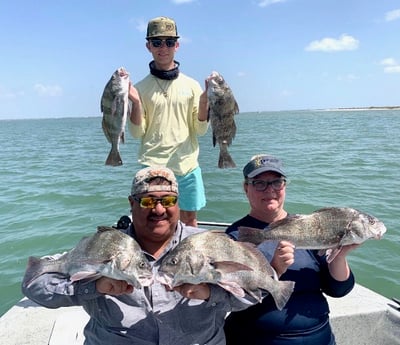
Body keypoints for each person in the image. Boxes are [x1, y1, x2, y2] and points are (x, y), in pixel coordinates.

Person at [22, 166, 255, 345]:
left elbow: (251, 294)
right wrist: (92, 288)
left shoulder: (208, 245)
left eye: (168, 200)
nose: (159, 210)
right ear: (131, 203)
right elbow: (34, 283)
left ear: (178, 202)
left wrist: (210, 293)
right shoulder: (106, 245)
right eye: (148, 201)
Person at [224, 154, 357, 345]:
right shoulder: (236, 235)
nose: (270, 190)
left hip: (319, 336)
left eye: (276, 182)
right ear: (246, 188)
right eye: (259, 183)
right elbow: (233, 295)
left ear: (284, 186)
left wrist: (339, 256)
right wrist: (274, 269)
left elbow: (338, 289)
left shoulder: (310, 226)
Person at [128, 16, 209, 227]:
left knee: (189, 221)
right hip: (152, 168)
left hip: (188, 167)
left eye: (169, 42)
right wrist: (135, 103)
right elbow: (137, 133)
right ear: (148, 46)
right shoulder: (139, 88)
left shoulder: (192, 86)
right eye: (157, 42)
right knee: (154, 222)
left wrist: (204, 104)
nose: (163, 47)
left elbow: (200, 130)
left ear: (177, 45)